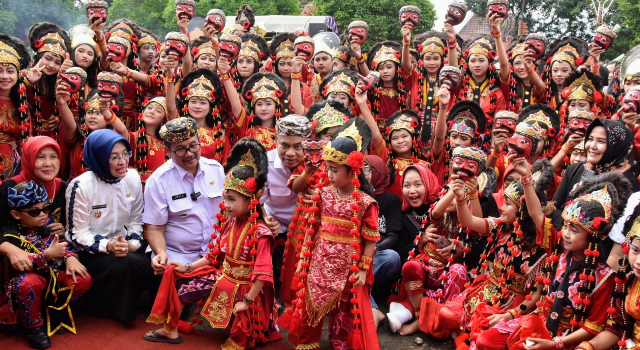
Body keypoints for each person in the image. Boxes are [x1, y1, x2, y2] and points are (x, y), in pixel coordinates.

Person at [145, 138, 281, 348]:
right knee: (179, 280)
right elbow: (213, 256)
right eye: (225, 198)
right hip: (223, 276)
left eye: (232, 200)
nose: (225, 205)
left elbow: (263, 274)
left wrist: (246, 302)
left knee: (242, 336)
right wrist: (188, 267)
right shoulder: (230, 223)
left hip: (247, 289)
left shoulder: (261, 233)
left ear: (250, 201)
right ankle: (169, 329)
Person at [473, 173, 628, 350]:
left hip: (568, 336)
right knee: (485, 340)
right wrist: (510, 315)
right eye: (565, 226)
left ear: (593, 235)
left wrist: (555, 343)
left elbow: (593, 326)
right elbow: (535, 213)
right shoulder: (557, 249)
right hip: (537, 322)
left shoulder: (604, 277)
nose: (566, 234)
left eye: (575, 230)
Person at [285, 118, 381, 350]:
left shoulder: (366, 203)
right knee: (309, 306)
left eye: (334, 170)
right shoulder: (323, 193)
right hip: (318, 261)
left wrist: (364, 270)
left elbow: (370, 241)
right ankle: (307, 343)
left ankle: (341, 345)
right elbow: (312, 229)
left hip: (348, 266)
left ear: (352, 170)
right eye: (327, 168)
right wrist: (303, 261)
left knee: (345, 313)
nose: (328, 174)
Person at [66, 129, 155, 322]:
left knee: (153, 265)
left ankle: (154, 308)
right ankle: (100, 304)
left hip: (124, 248)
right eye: (113, 157)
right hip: (89, 252)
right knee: (121, 264)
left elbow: (135, 220)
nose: (122, 161)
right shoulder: (81, 185)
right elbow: (77, 234)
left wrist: (133, 243)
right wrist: (108, 246)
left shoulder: (131, 178)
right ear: (98, 157)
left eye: (125, 154)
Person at [0, 181, 91, 349]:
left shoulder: (47, 225)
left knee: (82, 278)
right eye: (35, 211)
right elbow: (24, 266)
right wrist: (47, 255)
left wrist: (70, 257)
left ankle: (55, 312)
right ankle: (33, 327)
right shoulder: (10, 235)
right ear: (16, 214)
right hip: (28, 284)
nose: (42, 214)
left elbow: (64, 245)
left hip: (52, 277)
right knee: (28, 283)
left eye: (46, 208)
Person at [143, 117, 225, 274]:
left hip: (217, 251)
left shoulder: (216, 169)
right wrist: (161, 252)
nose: (189, 153)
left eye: (193, 145)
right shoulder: (158, 181)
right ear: (167, 151)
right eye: (180, 149)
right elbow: (155, 229)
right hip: (179, 257)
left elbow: (228, 215)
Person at [261, 115, 312, 295]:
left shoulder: (319, 163)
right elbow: (256, 202)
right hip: (278, 228)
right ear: (275, 141)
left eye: (298, 146)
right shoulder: (264, 163)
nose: (290, 153)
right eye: (284, 145)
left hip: (308, 232)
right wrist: (265, 220)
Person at [365, 155, 403, 327]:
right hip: (356, 256)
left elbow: (394, 236)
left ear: (378, 172)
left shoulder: (390, 200)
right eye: (360, 169)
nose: (362, 173)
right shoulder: (353, 196)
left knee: (392, 257)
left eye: (367, 169)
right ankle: (373, 310)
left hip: (378, 257)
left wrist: (374, 248)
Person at [24, 23, 71, 139]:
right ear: (38, 57)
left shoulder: (59, 82)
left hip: (51, 137)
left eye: (57, 62)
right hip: (27, 135)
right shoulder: (23, 76)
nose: (51, 65)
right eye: (48, 58)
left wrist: (58, 116)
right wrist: (28, 81)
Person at [0, 33, 30, 179]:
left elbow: (23, 141)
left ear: (18, 75)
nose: (4, 76)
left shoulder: (20, 102)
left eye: (10, 71)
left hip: (9, 163)